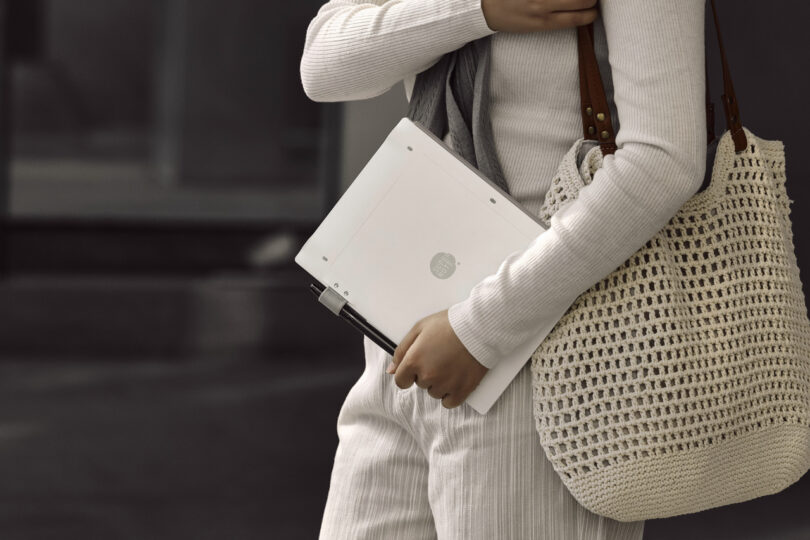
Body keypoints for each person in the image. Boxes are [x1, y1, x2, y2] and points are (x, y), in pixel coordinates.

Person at [301, 0, 707, 538]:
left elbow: (663, 159)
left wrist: (478, 331)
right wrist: (479, 10)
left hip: (543, 355)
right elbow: (325, 64)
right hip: (400, 344)